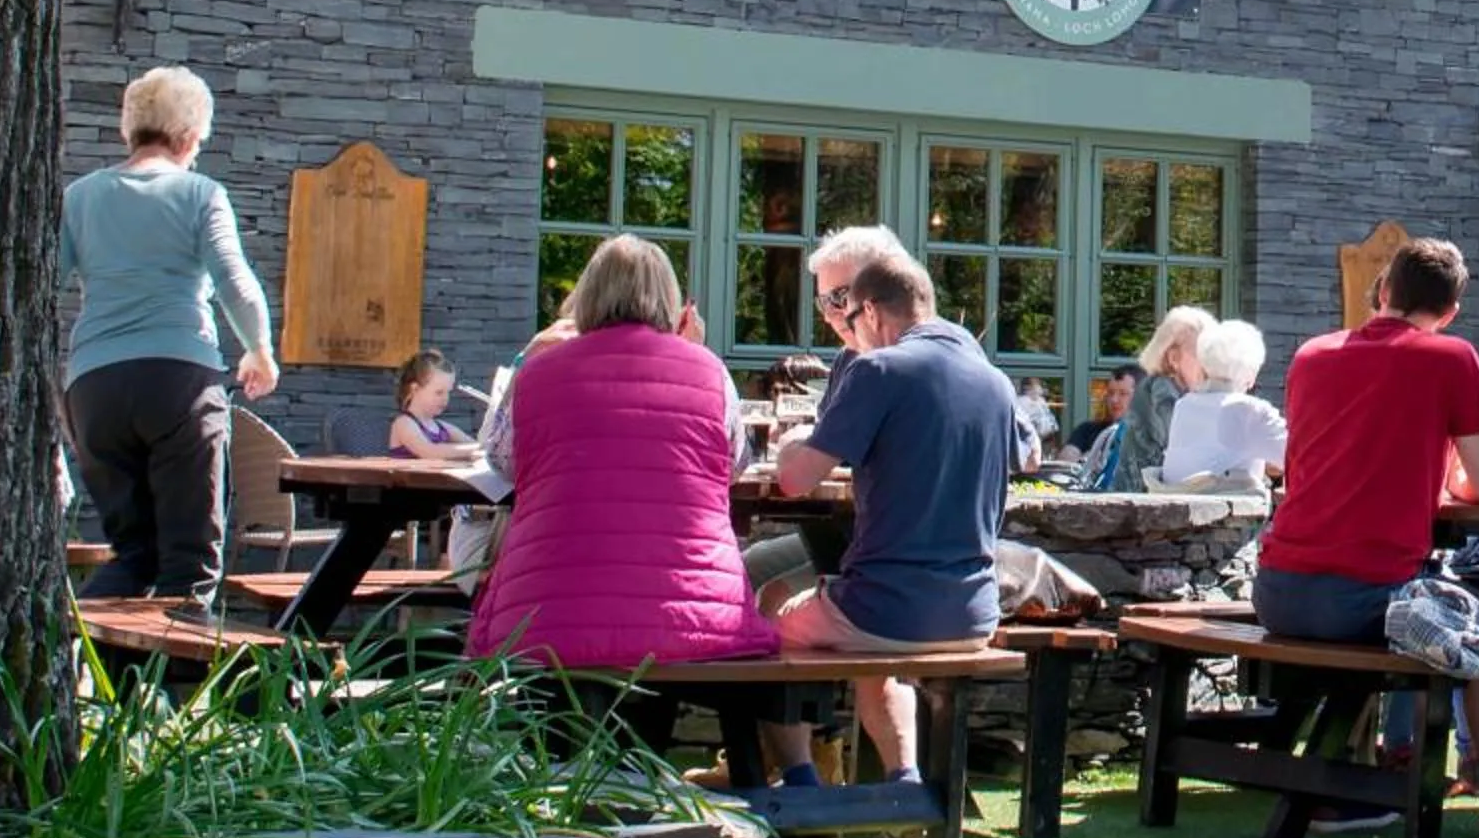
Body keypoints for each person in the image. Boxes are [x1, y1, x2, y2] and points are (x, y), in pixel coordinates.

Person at [1257, 235, 1479, 838]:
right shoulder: (1449, 357)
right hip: (1363, 593)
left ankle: (1351, 789)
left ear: (1385, 292)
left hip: (1278, 588)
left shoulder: (1312, 355)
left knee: (1403, 620)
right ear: (1449, 311)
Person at [772, 240, 1019, 788]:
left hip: (884, 611)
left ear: (874, 312)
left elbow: (795, 481)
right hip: (976, 612)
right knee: (867, 639)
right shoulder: (996, 383)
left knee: (764, 620)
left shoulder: (879, 369)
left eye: (847, 313)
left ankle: (800, 784)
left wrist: (792, 443)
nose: (846, 331)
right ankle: (902, 782)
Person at [467, 235, 773, 670]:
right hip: (694, 617)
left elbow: (502, 463)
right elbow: (733, 465)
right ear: (671, 300)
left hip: (546, 615)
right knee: (666, 651)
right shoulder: (709, 371)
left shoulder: (537, 372)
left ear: (587, 295)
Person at [59, 64, 278, 602]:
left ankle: (85, 670)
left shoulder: (80, 196)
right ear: (186, 138)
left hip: (94, 390)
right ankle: (181, 685)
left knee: (132, 555)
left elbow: (43, 278)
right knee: (190, 561)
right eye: (199, 142)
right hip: (178, 382)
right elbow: (234, 281)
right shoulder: (200, 193)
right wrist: (260, 351)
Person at [1157, 319, 1286, 487]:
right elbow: (1297, 457)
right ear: (1251, 374)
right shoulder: (1249, 410)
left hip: (1178, 506)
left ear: (1204, 366)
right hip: (1232, 510)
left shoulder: (1184, 405)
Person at [1117, 307, 1213, 487]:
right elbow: (1185, 445)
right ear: (1174, 358)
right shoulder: (1161, 391)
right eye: (1203, 354)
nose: (1210, 365)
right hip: (1143, 505)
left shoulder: (1173, 389)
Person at [387, 349, 483, 462]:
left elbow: (478, 446)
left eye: (448, 392)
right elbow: (430, 451)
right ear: (415, 389)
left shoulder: (443, 428)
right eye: (439, 392)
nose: (446, 398)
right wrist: (474, 450)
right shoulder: (404, 423)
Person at [1066, 365, 1138, 459]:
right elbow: (1065, 464)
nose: (1114, 400)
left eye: (1123, 394)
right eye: (1111, 393)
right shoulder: (1087, 430)